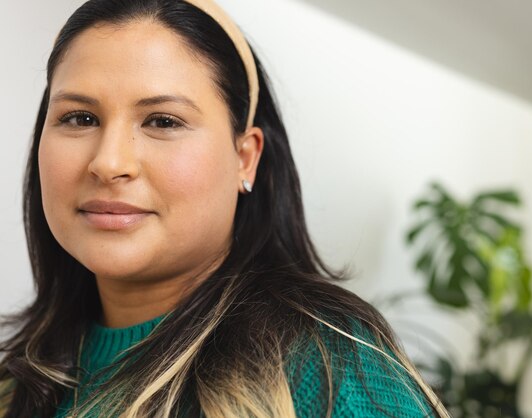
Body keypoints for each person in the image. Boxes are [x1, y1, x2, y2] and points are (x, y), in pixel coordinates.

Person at [0, 0, 450, 417]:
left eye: (163, 121)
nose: (109, 162)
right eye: (80, 118)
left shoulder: (329, 367)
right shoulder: (15, 383)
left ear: (245, 157)